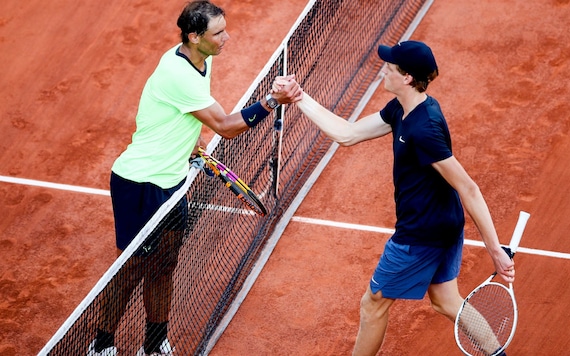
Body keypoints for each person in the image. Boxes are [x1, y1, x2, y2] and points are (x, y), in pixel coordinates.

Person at [87, 1, 301, 355]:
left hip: (173, 181)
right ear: (194, 36)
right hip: (140, 183)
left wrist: (191, 142)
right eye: (218, 33)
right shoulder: (179, 73)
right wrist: (272, 101)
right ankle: (101, 345)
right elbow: (227, 126)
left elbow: (182, 113)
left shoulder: (202, 57)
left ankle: (154, 346)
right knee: (132, 270)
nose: (226, 38)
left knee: (165, 265)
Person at [292, 41, 514, 355]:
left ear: (407, 77)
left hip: (422, 233)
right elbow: (349, 134)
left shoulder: (424, 129)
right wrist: (299, 97)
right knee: (447, 302)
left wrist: (495, 250)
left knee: (373, 303)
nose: (384, 69)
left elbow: (469, 188)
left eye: (391, 67)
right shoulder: (403, 108)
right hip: (443, 222)